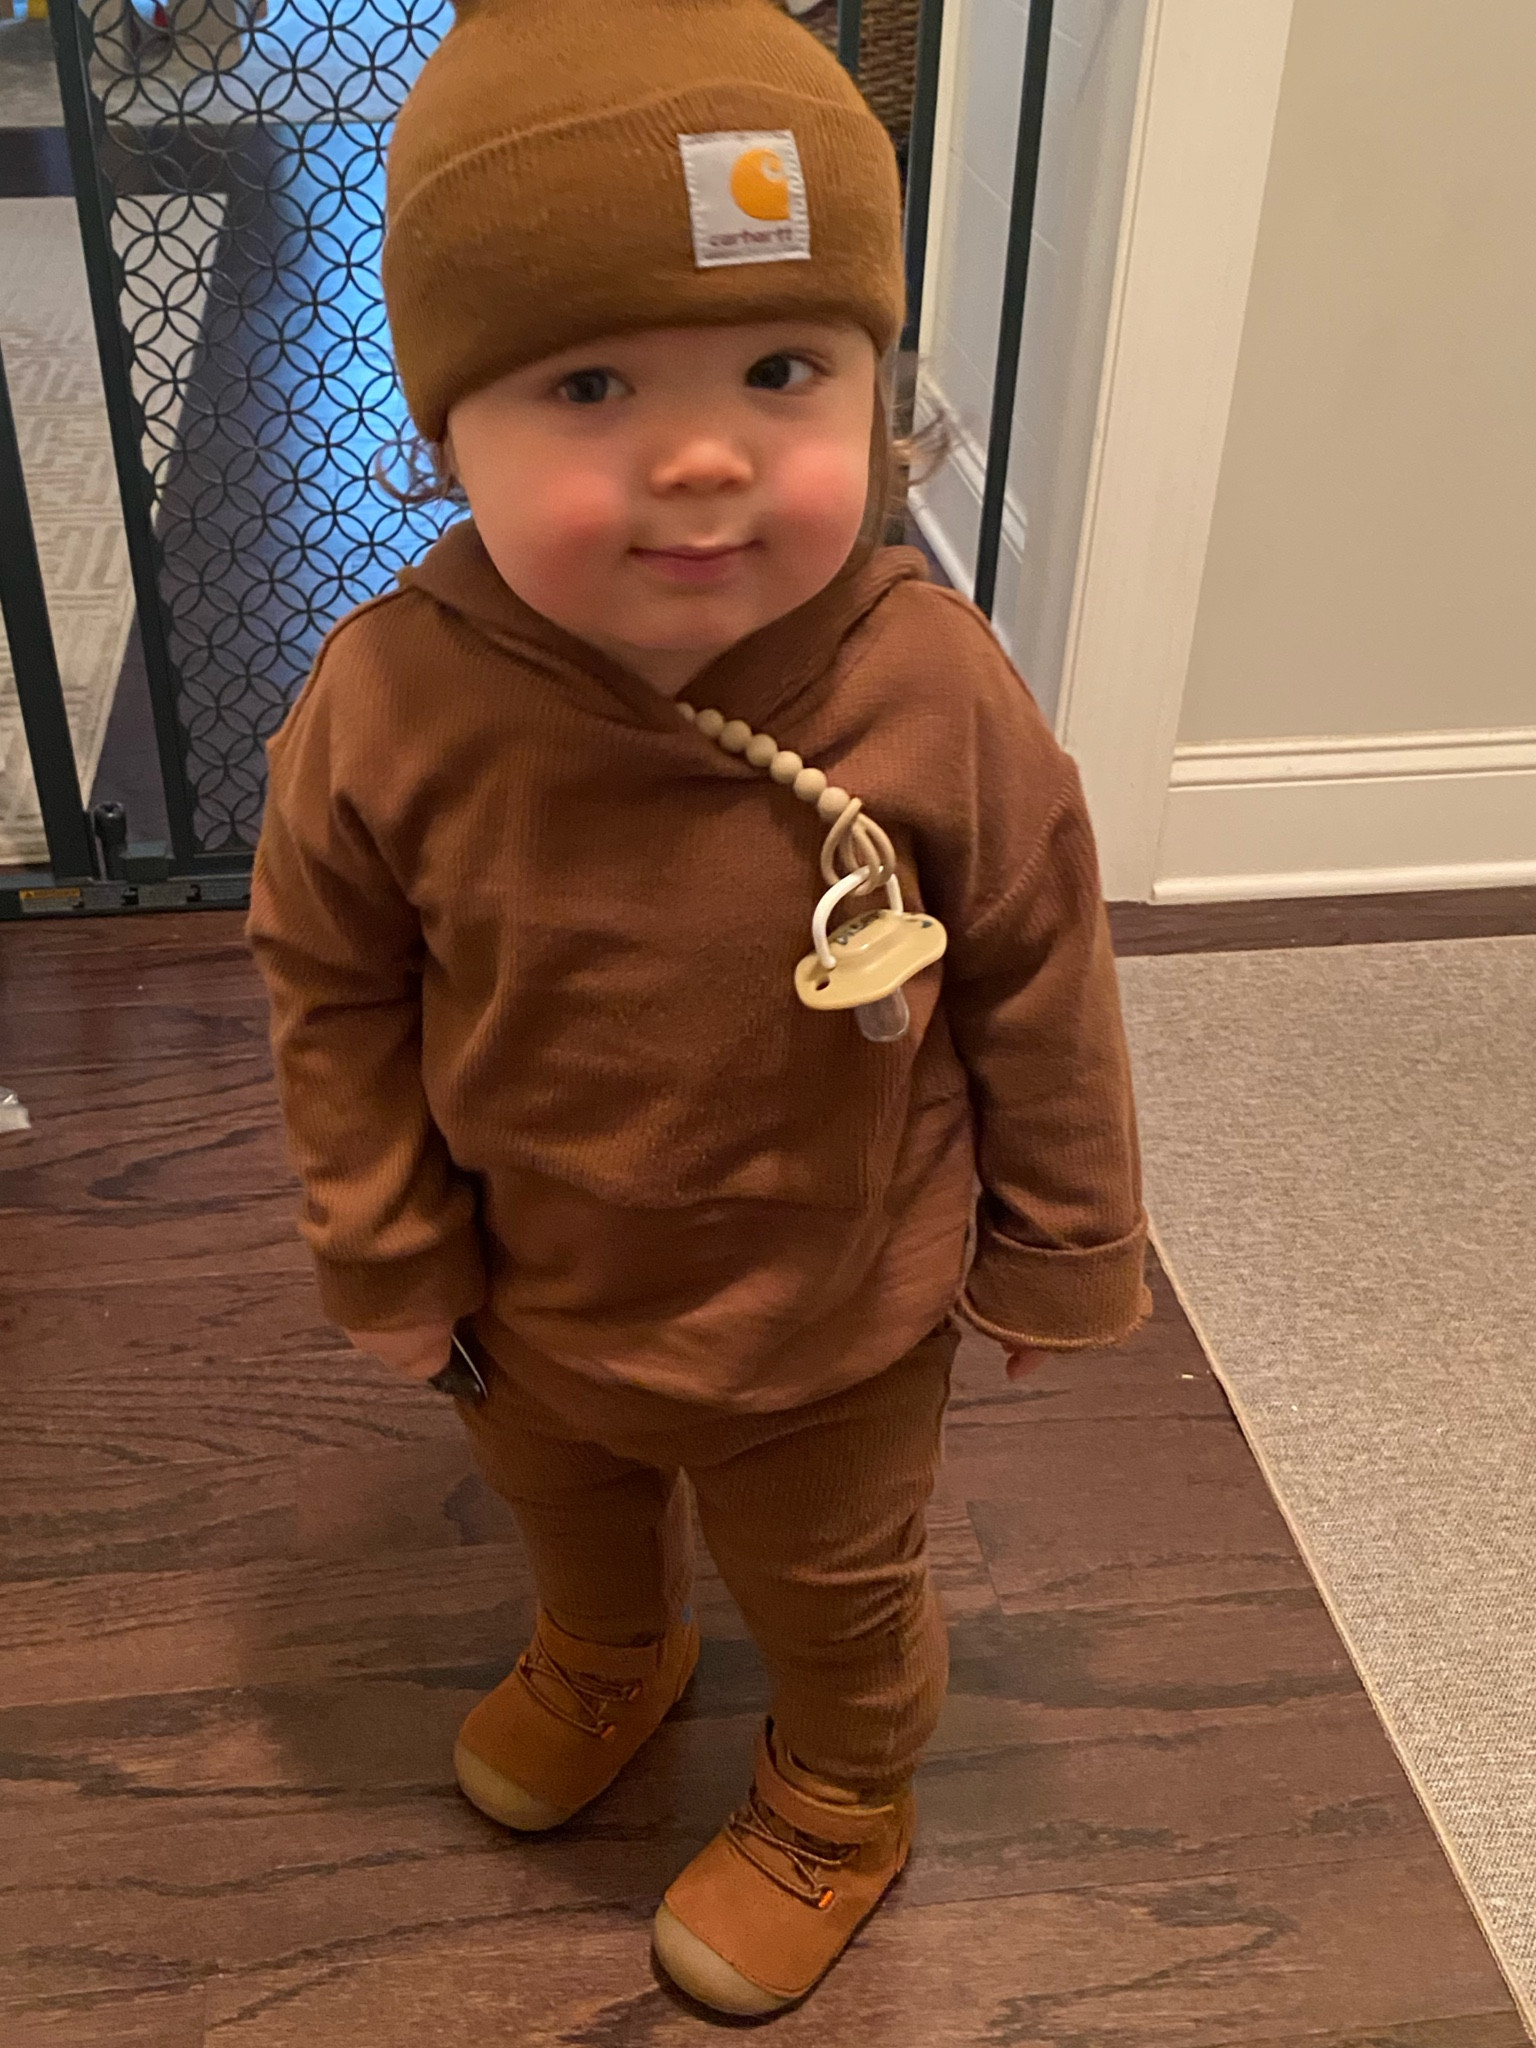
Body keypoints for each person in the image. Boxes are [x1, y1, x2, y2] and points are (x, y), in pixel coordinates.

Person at [246, 0, 1151, 2015]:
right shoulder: (391, 704)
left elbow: (1039, 967)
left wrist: (1066, 1246)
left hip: (834, 1313)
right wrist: (387, 1250)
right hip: (532, 1289)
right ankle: (607, 1651)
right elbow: (329, 984)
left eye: (781, 368)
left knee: (836, 1594)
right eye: (585, 383)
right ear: (437, 433)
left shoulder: (934, 689)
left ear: (872, 381)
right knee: (565, 1510)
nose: (708, 453)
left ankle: (839, 1793)